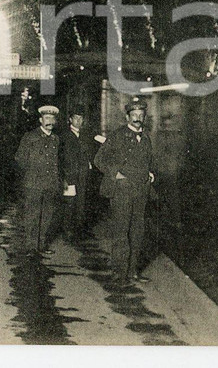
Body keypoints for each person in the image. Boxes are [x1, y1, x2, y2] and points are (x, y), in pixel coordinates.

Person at [94, 99, 156, 283]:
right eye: (134, 115)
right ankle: (119, 272)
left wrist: (150, 173)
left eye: (141, 115)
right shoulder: (117, 135)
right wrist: (116, 173)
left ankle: (132, 271)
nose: (137, 118)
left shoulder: (145, 137)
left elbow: (146, 161)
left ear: (144, 117)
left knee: (137, 232)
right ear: (128, 117)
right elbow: (99, 160)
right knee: (121, 231)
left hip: (141, 190)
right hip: (122, 190)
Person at [14, 104, 62, 253]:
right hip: (33, 183)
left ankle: (41, 245)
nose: (50, 121)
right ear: (40, 120)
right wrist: (32, 173)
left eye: (52, 118)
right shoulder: (30, 137)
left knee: (47, 216)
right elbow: (20, 158)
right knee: (32, 215)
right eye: (46, 118)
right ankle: (31, 247)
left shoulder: (56, 139)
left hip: (50, 183)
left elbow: (58, 161)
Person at [60, 109, 97, 240]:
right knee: (70, 204)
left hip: (84, 175)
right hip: (70, 175)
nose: (78, 121)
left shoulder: (86, 136)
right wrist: (63, 177)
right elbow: (60, 158)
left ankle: (79, 230)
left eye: (81, 118)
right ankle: (67, 231)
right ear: (70, 119)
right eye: (76, 118)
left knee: (82, 203)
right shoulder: (64, 136)